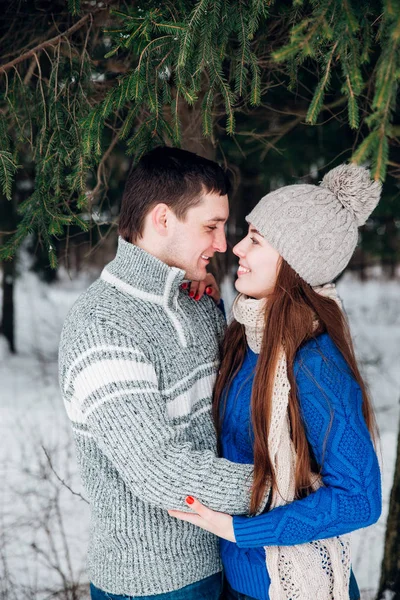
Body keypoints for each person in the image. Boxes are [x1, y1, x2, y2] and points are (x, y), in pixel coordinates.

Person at [168, 163, 383, 600]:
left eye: (256, 240)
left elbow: (360, 498)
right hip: (238, 581)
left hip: (292, 586)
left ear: (294, 264)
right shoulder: (247, 333)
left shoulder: (314, 362)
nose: (237, 249)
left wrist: (239, 529)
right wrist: (210, 304)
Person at [58, 147, 258, 600]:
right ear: (163, 219)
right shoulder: (103, 325)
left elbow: (234, 398)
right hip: (155, 584)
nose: (223, 244)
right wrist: (277, 485)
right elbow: (160, 471)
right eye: (210, 227)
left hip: (226, 556)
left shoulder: (195, 300)